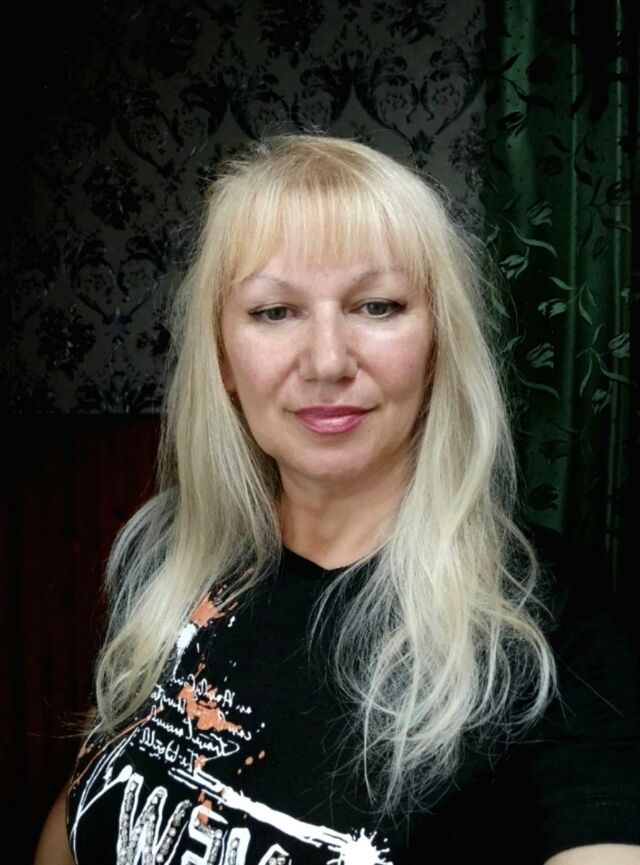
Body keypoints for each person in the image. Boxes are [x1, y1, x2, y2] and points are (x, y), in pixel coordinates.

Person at [34, 132, 640, 865]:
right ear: (223, 360)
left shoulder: (556, 624)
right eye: (274, 312)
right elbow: (83, 810)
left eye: (377, 306)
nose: (327, 361)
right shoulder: (163, 551)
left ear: (437, 345)